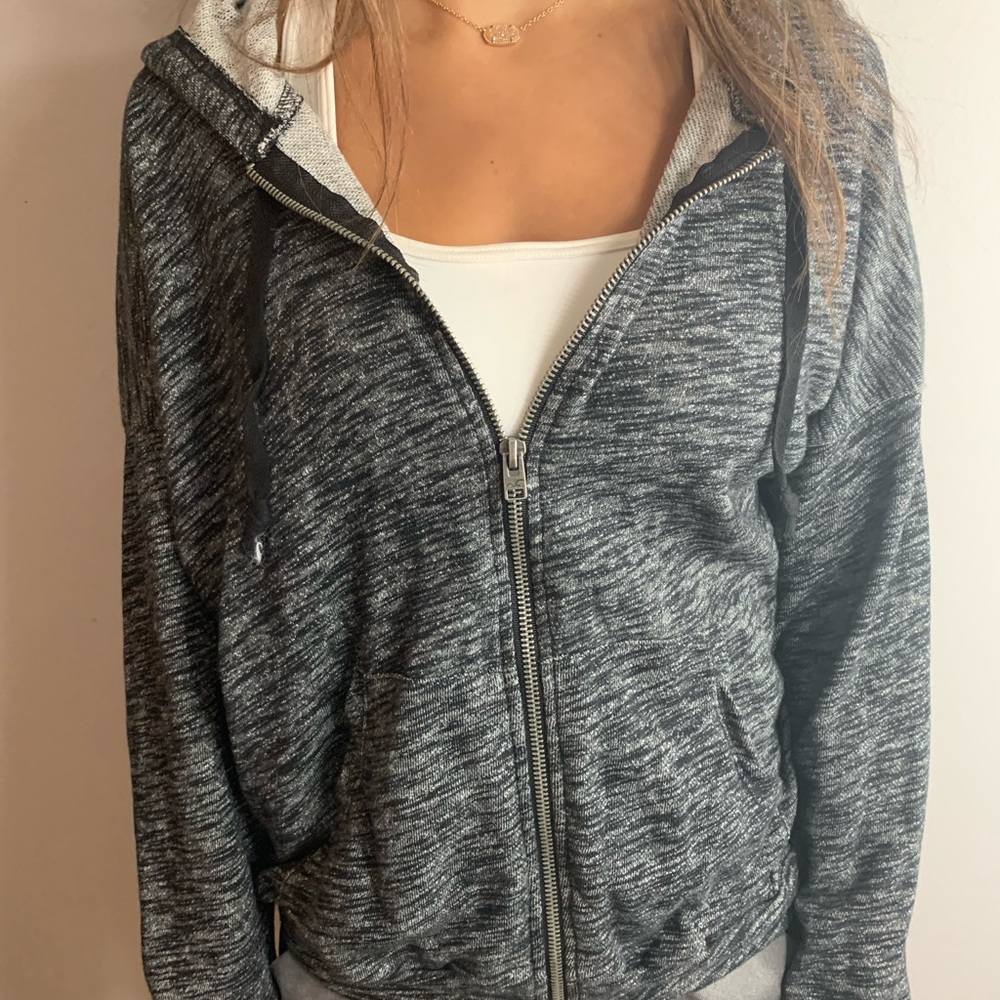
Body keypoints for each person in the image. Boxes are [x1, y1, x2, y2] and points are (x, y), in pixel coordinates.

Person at [114, 0, 930, 998]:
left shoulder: (801, 89)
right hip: (362, 970)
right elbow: (177, 613)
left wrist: (853, 977)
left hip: (717, 964)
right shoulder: (212, 116)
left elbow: (864, 591)